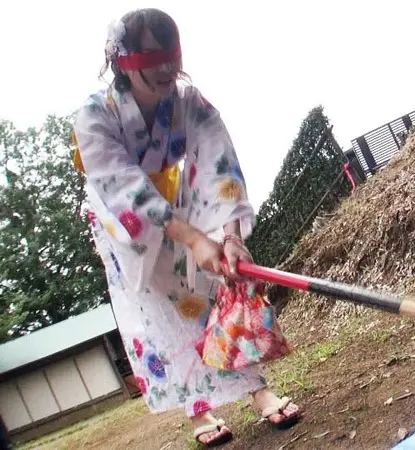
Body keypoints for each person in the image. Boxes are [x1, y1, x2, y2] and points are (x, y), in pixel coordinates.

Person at [71, 8, 301, 447]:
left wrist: (229, 236)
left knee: (214, 289)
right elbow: (127, 190)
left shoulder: (188, 102)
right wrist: (193, 239)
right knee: (163, 312)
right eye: (151, 59)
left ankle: (258, 389)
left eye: (171, 57)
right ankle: (199, 410)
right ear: (123, 62)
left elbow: (219, 162)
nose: (165, 70)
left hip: (179, 199)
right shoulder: (95, 117)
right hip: (127, 226)